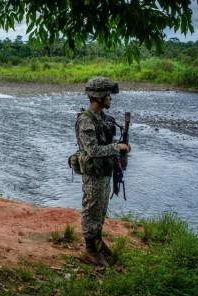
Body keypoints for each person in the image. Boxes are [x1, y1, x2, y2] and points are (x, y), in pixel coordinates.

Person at [75, 76, 131, 266]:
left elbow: (107, 143)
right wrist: (118, 147)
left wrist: (121, 148)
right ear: (98, 96)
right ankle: (90, 249)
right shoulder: (85, 120)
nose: (110, 98)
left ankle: (97, 241)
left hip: (105, 172)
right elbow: (93, 150)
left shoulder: (105, 119)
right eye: (107, 95)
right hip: (93, 174)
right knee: (91, 209)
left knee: (100, 210)